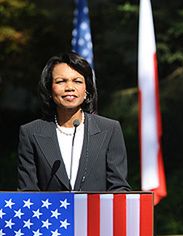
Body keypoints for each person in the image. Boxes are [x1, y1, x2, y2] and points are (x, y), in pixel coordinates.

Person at [17, 52, 131, 192]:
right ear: (49, 89)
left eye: (77, 81)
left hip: (96, 213)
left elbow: (119, 188)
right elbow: (27, 192)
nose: (69, 87)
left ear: (86, 90)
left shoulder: (110, 129)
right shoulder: (30, 132)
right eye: (61, 81)